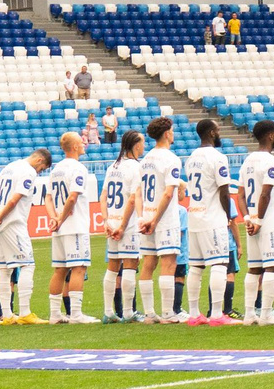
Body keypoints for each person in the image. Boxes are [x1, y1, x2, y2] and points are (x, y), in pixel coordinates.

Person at [29, 130, 98, 325]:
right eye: (81, 142)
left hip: (59, 228)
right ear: (75, 147)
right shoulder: (78, 168)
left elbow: (48, 198)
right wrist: (61, 217)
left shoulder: (56, 169)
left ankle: (55, 314)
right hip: (74, 225)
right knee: (79, 267)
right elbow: (73, 197)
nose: (84, 144)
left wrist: (54, 219)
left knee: (59, 269)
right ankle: (76, 314)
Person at [182, 118, 239, 324]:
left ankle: (194, 314)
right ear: (212, 133)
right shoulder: (217, 157)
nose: (220, 132)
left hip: (194, 217)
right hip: (212, 218)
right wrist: (227, 216)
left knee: (196, 267)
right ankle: (216, 314)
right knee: (220, 263)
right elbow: (224, 192)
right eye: (218, 129)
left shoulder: (191, 158)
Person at [135, 116, 187, 324]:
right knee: (168, 262)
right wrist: (156, 220)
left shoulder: (145, 159)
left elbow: (138, 193)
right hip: (164, 219)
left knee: (148, 263)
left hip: (146, 215)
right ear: (167, 134)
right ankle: (167, 312)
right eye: (172, 131)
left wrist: (143, 218)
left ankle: (149, 314)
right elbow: (167, 193)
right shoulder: (171, 159)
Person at [235, 120, 274, 325]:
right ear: (271, 136)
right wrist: (258, 219)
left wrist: (247, 218)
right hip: (268, 222)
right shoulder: (272, 162)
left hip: (252, 224)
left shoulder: (247, 160)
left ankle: (250, 314)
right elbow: (265, 194)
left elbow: (240, 195)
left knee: (254, 268)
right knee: (272, 266)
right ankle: (266, 314)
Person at [0, 144, 46, 325]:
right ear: (39, 160)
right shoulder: (27, 171)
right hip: (13, 223)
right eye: (42, 169)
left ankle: (7, 315)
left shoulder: (9, 167)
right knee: (27, 265)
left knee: (4, 269)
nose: (39, 172)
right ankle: (25, 313)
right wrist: (0, 217)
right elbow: (14, 200)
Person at [97, 129, 145, 323]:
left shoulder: (113, 166)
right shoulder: (135, 167)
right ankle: (127, 312)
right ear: (135, 145)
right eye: (142, 142)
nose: (143, 146)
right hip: (127, 224)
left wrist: (106, 220)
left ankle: (109, 312)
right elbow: (133, 198)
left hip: (112, 221)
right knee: (130, 266)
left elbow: (103, 196)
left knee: (112, 267)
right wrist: (123, 226)